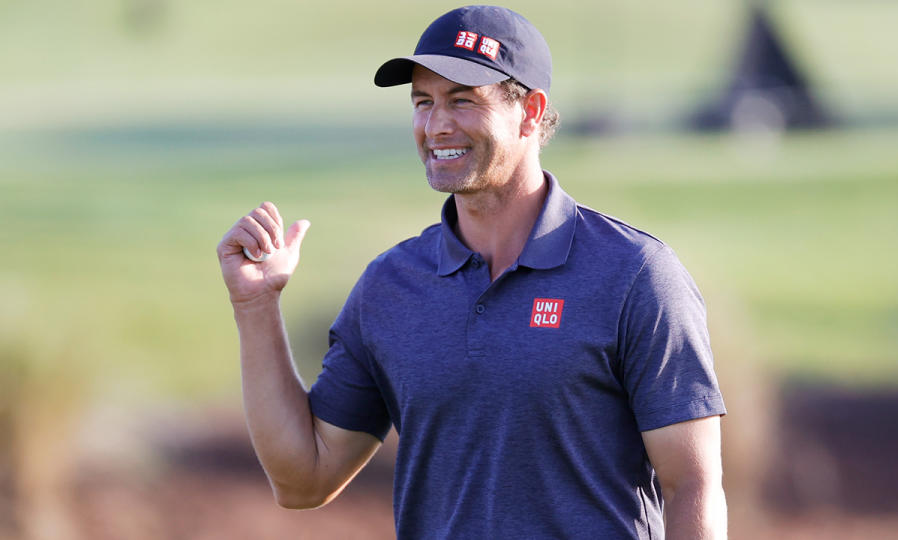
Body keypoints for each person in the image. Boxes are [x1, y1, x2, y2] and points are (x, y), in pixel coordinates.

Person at [217, 5, 727, 539]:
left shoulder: (635, 275)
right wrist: (254, 307)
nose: (436, 125)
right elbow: (304, 479)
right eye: (423, 102)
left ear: (530, 111)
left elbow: (690, 485)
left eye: (462, 100)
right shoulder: (391, 287)